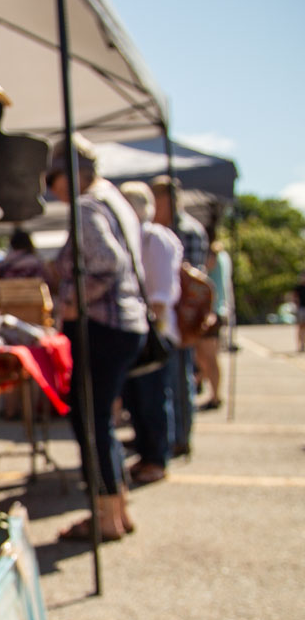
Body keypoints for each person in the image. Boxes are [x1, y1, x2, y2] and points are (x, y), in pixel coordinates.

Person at [47, 135, 147, 541]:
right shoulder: (114, 201)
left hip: (103, 325)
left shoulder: (88, 206)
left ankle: (105, 515)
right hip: (124, 324)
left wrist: (74, 302)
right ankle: (116, 508)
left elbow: (107, 262)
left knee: (90, 419)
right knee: (100, 419)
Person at [118, 181, 182, 485]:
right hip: (141, 328)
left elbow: (160, 293)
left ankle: (157, 458)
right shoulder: (138, 237)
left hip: (154, 330)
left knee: (152, 397)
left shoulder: (153, 237)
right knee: (138, 399)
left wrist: (151, 328)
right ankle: (147, 455)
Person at [151, 175, 207, 456]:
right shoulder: (165, 229)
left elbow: (192, 281)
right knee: (166, 381)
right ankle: (171, 435)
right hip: (167, 315)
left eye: (156, 198)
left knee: (179, 378)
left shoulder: (186, 230)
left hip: (181, 316)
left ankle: (180, 437)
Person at [197, 241, 232, 409]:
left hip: (212, 311)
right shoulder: (223, 255)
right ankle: (210, 391)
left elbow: (202, 272)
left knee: (209, 357)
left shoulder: (214, 255)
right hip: (218, 310)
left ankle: (216, 396)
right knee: (205, 357)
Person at [0, 228, 48, 305]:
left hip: (6, 310)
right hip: (35, 308)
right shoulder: (37, 264)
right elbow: (48, 286)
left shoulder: (1, 266)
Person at [295, 270, 305, 352]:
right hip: (301, 309)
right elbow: (294, 298)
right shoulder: (298, 288)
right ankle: (301, 345)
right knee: (300, 327)